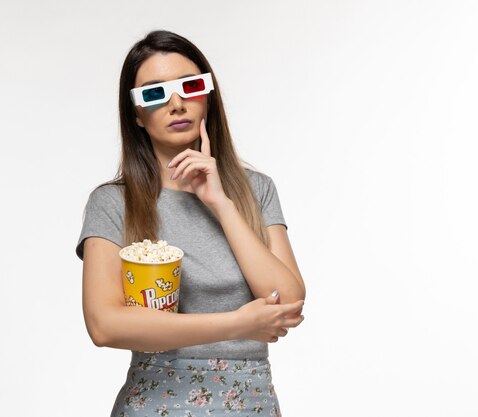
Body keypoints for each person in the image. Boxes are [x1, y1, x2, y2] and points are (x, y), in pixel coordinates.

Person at [76, 30, 306, 416]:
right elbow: (105, 324)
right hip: (153, 403)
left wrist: (222, 203)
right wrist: (235, 324)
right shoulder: (114, 202)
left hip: (251, 404)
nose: (177, 103)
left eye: (191, 86)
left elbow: (288, 302)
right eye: (154, 93)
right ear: (136, 114)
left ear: (208, 97)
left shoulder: (257, 190)